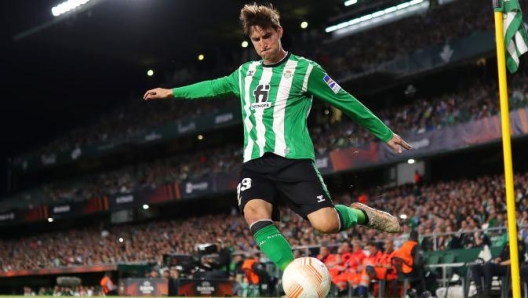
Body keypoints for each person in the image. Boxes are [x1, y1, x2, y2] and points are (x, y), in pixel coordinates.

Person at [143, 3, 411, 272]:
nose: (262, 44)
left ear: (279, 31)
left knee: (326, 224)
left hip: (294, 160)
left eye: (267, 36)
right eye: (256, 39)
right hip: (256, 164)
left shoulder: (306, 70)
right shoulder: (245, 73)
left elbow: (346, 101)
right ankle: (292, 272)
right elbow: (213, 86)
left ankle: (362, 214)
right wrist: (172, 92)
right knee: (253, 212)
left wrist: (385, 133)